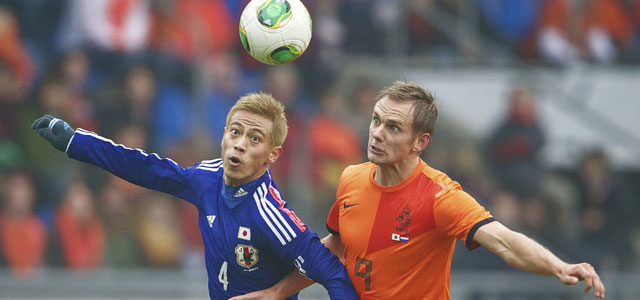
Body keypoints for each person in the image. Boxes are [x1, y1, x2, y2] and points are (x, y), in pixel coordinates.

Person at [230, 81, 605, 300]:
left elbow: (503, 240)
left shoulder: (441, 197)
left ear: (419, 142)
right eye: (376, 120)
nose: (377, 133)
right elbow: (336, 248)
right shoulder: (351, 178)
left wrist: (559, 265)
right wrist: (277, 292)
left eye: (393, 127)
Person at [31, 93, 358, 300]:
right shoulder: (206, 177)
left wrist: (275, 294)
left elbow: (331, 271)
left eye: (254, 138)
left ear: (272, 155)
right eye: (235, 131)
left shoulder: (270, 214)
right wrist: (78, 143)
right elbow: (147, 168)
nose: (240, 144)